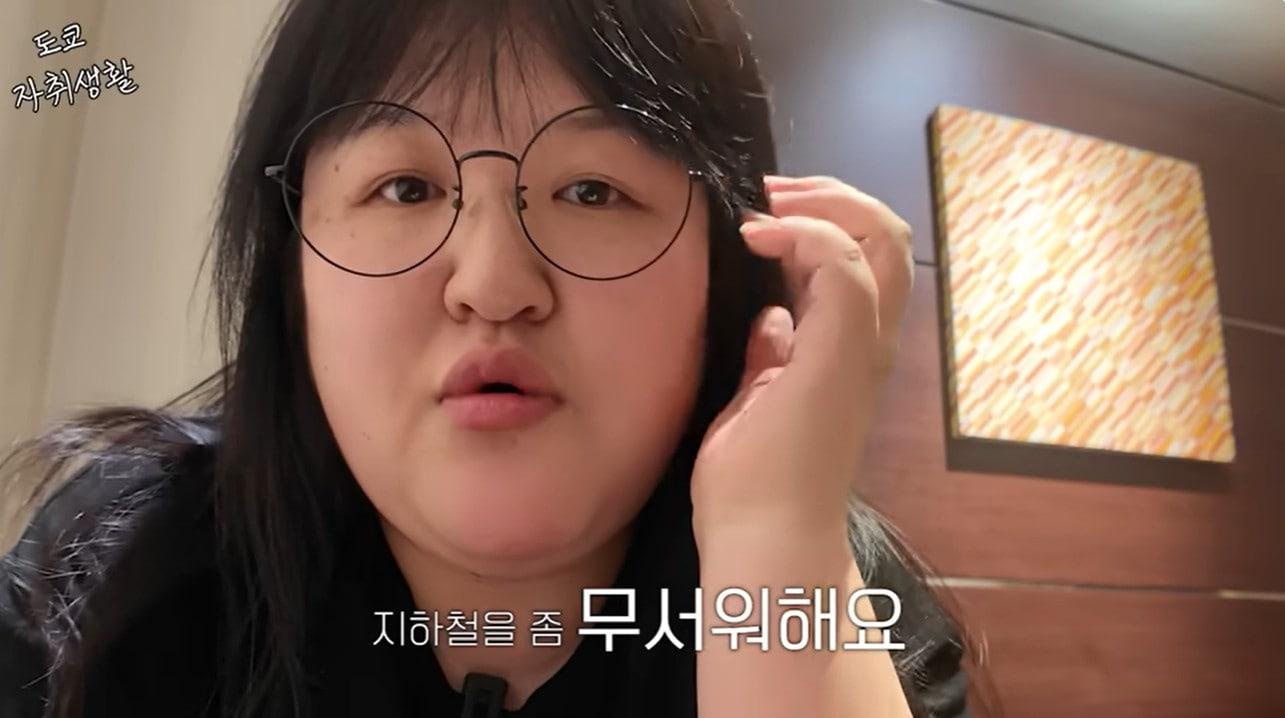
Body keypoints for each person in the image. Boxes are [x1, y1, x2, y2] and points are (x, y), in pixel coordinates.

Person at [0, 0, 984, 716]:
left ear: (726, 267)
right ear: (291, 268)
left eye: (592, 191)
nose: (494, 283)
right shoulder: (115, 576)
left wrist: (775, 543)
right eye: (404, 188)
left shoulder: (842, 610)